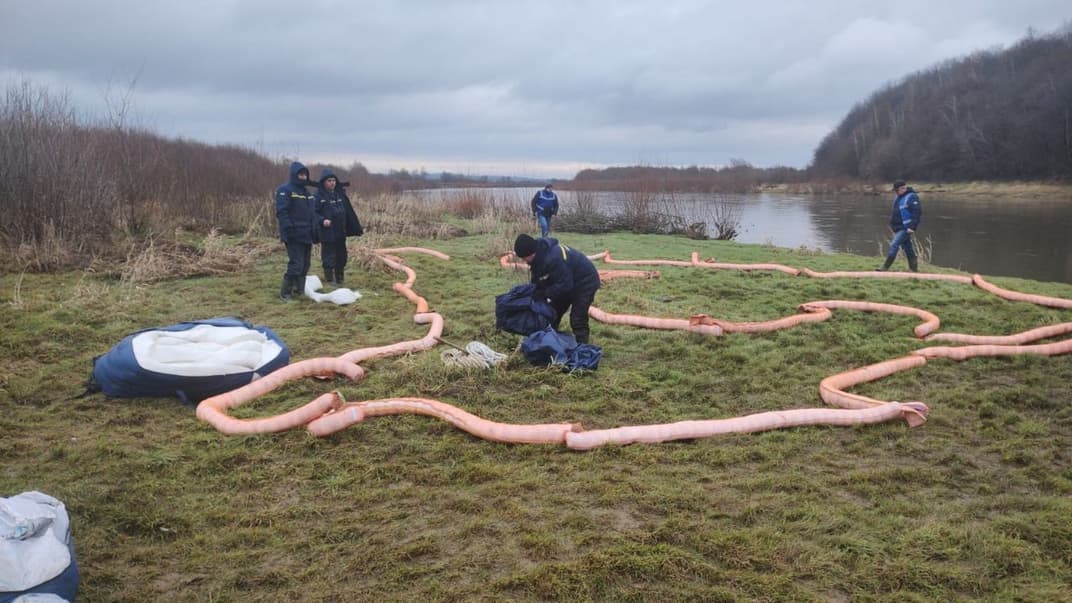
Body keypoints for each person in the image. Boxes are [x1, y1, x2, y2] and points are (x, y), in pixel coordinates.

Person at [514, 233, 601, 344]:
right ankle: (549, 342)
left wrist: (544, 294)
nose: (524, 261)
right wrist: (534, 293)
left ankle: (582, 347)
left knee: (577, 317)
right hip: (567, 281)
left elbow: (565, 285)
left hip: (585, 282)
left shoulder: (553, 258)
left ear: (531, 253)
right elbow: (538, 280)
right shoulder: (538, 258)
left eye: (524, 258)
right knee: (553, 312)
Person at [274, 161, 317, 301]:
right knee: (296, 264)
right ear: (294, 174)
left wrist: (315, 230)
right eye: (300, 174)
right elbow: (282, 212)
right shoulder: (285, 190)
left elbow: (312, 213)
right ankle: (285, 293)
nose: (303, 177)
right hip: (293, 234)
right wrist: (288, 229)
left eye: (305, 174)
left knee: (305, 265)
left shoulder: (307, 193)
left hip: (307, 234)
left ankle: (299, 290)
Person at [314, 168, 364, 286]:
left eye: (334, 180)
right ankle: (330, 280)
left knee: (341, 256)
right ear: (323, 182)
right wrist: (322, 221)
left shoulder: (339, 195)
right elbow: (313, 214)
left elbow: (347, 212)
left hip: (340, 232)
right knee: (329, 256)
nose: (332, 183)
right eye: (329, 181)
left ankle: (340, 278)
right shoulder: (318, 197)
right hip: (327, 233)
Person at [877, 179, 923, 272]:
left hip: (906, 228)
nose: (895, 192)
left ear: (902, 189)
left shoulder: (912, 197)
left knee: (894, 244)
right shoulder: (899, 197)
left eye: (896, 190)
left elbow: (917, 213)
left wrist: (912, 227)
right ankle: (914, 269)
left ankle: (885, 267)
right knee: (908, 248)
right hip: (898, 228)